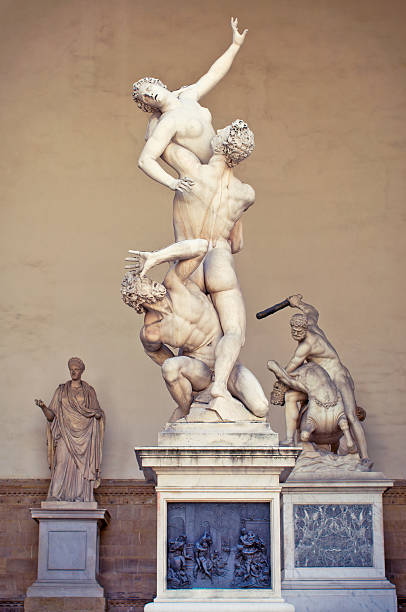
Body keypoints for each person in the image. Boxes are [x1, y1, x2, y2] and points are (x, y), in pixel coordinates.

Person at [122, 238, 268, 421]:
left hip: (229, 366)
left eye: (147, 279)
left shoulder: (174, 284)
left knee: (261, 407)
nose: (151, 283)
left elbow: (200, 246)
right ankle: (187, 410)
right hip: (201, 371)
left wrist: (156, 257)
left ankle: (219, 388)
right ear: (138, 299)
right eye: (143, 284)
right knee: (170, 368)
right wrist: (185, 377)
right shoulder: (151, 332)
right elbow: (158, 356)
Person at [132, 17, 248, 193]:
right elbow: (145, 160)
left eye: (148, 88)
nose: (148, 94)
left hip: (227, 171)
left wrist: (235, 46)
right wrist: (172, 183)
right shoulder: (168, 121)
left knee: (248, 196)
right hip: (207, 178)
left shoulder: (188, 96)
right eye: (145, 97)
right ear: (148, 105)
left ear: (158, 84)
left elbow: (213, 75)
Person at [282, 294, 371, 467]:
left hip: (337, 376)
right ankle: (289, 440)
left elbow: (290, 368)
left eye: (299, 332)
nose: (296, 335)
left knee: (351, 416)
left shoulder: (306, 346)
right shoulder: (312, 324)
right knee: (291, 397)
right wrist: (298, 304)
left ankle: (365, 457)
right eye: (293, 332)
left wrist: (279, 376)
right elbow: (312, 311)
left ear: (305, 329)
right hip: (319, 381)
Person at [35, 358, 105, 502]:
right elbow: (51, 416)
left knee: (81, 469)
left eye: (76, 369)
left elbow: (97, 411)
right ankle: (56, 495)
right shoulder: (61, 391)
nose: (73, 371)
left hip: (84, 436)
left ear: (81, 371)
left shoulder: (89, 391)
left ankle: (81, 496)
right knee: (60, 463)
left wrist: (97, 415)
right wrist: (43, 407)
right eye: (71, 369)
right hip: (65, 434)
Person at [267, 360, 356, 452]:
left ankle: (290, 439)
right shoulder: (320, 368)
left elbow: (288, 379)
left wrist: (275, 368)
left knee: (290, 396)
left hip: (322, 410)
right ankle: (291, 439)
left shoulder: (302, 370)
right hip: (332, 405)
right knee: (291, 396)